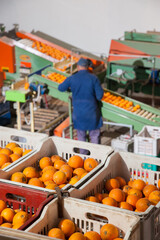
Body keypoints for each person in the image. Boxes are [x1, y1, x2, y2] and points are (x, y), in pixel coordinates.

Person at [58, 57, 104, 153]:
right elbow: (99, 96)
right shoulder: (93, 78)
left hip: (79, 113)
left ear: (78, 67)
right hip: (92, 113)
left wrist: (71, 89)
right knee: (94, 136)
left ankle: (84, 158)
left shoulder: (72, 78)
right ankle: (97, 156)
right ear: (87, 67)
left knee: (81, 137)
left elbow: (60, 88)